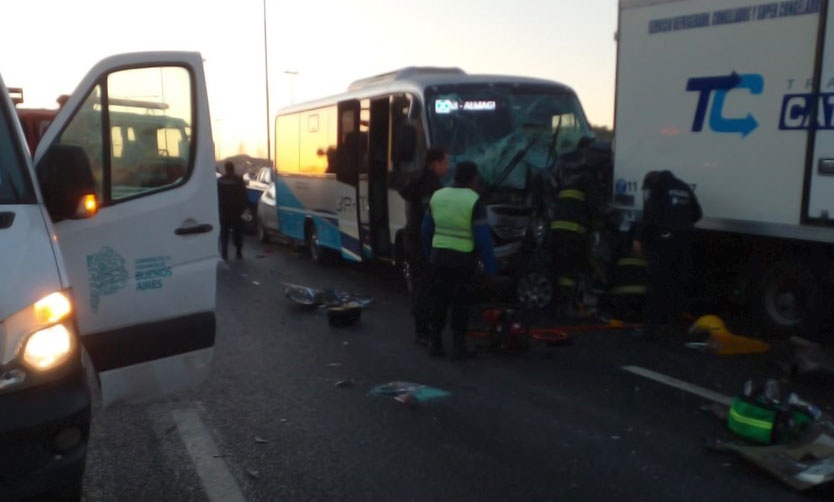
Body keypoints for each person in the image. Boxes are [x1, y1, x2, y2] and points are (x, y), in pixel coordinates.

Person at [421, 161, 497, 359]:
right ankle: (458, 346)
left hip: (438, 258)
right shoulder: (474, 200)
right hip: (463, 260)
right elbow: (483, 239)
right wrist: (491, 270)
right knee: (460, 303)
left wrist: (430, 255)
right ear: (473, 178)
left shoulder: (438, 195)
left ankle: (435, 342)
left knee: (439, 301)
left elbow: (426, 230)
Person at [633, 170, 702, 338]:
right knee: (676, 285)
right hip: (684, 240)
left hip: (664, 241)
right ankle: (671, 326)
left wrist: (639, 239)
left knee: (656, 285)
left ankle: (650, 329)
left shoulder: (656, 186)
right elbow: (698, 213)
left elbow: (649, 214)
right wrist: (681, 223)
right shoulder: (683, 187)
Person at [547, 140, 607, 319]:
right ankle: (567, 309)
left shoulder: (569, 176)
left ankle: (559, 307)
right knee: (570, 271)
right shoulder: (589, 177)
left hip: (558, 228)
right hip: (574, 231)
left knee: (562, 268)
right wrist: (601, 224)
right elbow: (595, 206)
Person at [397, 147, 449, 345]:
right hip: (423, 241)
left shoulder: (415, 178)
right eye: (445, 162)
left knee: (421, 285)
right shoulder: (430, 184)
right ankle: (424, 331)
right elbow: (431, 217)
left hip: (412, 238)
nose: (447, 166)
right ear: (435, 164)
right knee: (426, 287)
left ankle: (422, 327)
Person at [217, 160, 248, 260]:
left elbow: (216, 196)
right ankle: (238, 253)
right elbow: (244, 195)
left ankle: (224, 253)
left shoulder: (220, 180)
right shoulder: (238, 180)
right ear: (233, 168)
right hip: (237, 211)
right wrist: (244, 208)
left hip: (224, 211)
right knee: (238, 233)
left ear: (225, 169)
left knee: (224, 233)